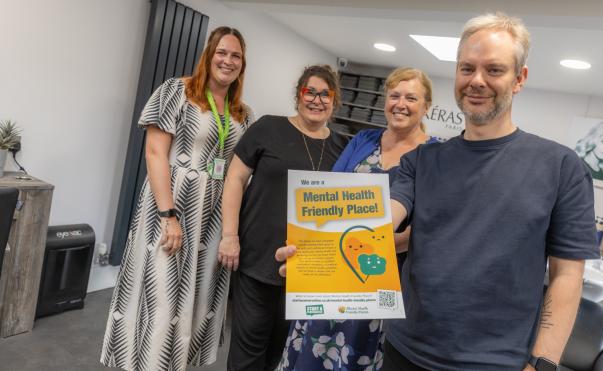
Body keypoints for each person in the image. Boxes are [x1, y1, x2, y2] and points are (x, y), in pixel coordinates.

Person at [277, 12, 599, 371]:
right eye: (467, 68)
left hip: (495, 362)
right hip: (403, 351)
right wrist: (315, 258)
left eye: (494, 70)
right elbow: (383, 221)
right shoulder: (423, 159)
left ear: (519, 78)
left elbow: (567, 275)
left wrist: (543, 363)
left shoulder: (560, 167)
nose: (477, 80)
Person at [100, 27, 253, 371]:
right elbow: (155, 152)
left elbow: (238, 172)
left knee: (195, 299)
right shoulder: (177, 91)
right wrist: (168, 214)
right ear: (208, 55)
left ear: (243, 65)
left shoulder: (243, 113)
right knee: (161, 294)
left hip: (213, 216)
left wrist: (231, 232)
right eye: (222, 53)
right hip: (172, 204)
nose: (228, 61)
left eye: (236, 56)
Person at [276, 67, 439, 371]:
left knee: (358, 352)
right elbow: (329, 196)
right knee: (313, 347)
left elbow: (440, 222)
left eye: (411, 98)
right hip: (335, 273)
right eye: (394, 95)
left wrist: (401, 241)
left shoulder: (436, 153)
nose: (400, 103)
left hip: (383, 281)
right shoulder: (364, 139)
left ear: (426, 106)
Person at [219, 65, 349, 371]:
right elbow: (235, 179)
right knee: (247, 350)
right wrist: (229, 235)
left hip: (307, 271)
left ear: (335, 100)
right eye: (310, 92)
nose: (317, 100)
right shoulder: (268, 128)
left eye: (325, 94)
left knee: (281, 350)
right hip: (256, 257)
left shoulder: (342, 147)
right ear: (298, 95)